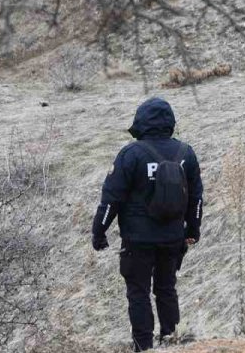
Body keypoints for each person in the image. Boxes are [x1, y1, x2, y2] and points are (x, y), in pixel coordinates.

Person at [92, 98, 204, 352]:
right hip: (173, 238)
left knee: (138, 292)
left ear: (141, 121)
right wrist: (193, 230)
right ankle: (171, 341)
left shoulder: (131, 154)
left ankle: (143, 346)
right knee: (166, 289)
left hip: (137, 241)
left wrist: (99, 231)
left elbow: (112, 198)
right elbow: (196, 198)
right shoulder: (186, 153)